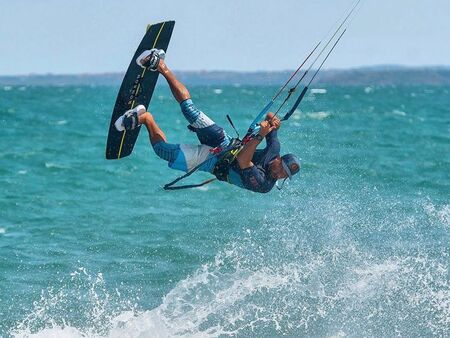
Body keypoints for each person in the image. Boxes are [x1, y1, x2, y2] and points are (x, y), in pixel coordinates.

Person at [115, 49, 300, 193]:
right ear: (278, 159)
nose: (280, 174)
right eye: (282, 169)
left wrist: (260, 135)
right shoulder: (274, 149)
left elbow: (244, 161)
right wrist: (274, 121)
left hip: (211, 162)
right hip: (225, 142)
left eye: (285, 175)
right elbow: (270, 120)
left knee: (163, 152)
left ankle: (146, 118)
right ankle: (160, 65)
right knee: (190, 110)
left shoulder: (264, 185)